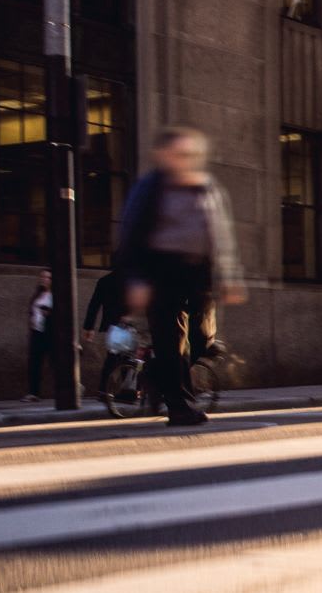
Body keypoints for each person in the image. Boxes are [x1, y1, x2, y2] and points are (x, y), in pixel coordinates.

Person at [115, 127, 245, 428]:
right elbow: (131, 233)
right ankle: (181, 408)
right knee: (172, 343)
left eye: (191, 155)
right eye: (179, 154)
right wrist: (135, 279)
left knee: (202, 340)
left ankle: (156, 373)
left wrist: (229, 275)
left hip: (200, 273)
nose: (186, 160)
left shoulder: (207, 187)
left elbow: (221, 233)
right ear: (162, 156)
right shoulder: (150, 187)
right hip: (162, 270)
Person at [81, 269, 127, 397]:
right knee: (125, 358)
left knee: (114, 357)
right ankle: (122, 389)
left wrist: (89, 327)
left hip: (112, 324)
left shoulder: (105, 281)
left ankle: (105, 389)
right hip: (128, 324)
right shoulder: (130, 279)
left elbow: (94, 305)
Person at [23, 270, 53, 402]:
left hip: (50, 333)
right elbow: (32, 311)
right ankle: (33, 393)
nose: (44, 279)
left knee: (56, 364)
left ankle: (74, 387)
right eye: (42, 277)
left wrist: (49, 313)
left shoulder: (55, 295)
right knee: (34, 363)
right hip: (37, 332)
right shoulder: (38, 295)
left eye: (47, 277)